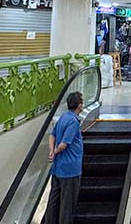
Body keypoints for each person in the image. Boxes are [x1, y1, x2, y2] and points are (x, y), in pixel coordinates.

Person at [46, 91, 84, 224]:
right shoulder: (73, 122)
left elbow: (52, 135)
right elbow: (64, 144)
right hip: (70, 169)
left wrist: (51, 151)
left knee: (54, 201)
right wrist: (56, 151)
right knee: (67, 204)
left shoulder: (63, 117)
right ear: (79, 105)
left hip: (57, 168)